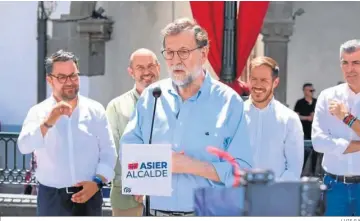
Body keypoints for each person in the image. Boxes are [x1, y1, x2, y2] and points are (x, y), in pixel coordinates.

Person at [120, 17, 253, 216]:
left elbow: (241, 171)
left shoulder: (229, 102)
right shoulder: (152, 96)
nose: (176, 60)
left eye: (183, 52)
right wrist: (141, 177)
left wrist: (191, 166)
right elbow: (127, 150)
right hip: (155, 213)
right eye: (170, 53)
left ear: (204, 54)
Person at [17, 50, 117, 216]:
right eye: (62, 77)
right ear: (50, 80)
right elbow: (24, 146)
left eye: (74, 76)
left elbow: (108, 152)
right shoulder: (38, 112)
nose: (70, 82)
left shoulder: (95, 110)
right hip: (52, 199)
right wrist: (49, 121)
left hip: (89, 196)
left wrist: (97, 183)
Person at [312, 39, 360, 216]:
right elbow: (318, 142)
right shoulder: (327, 97)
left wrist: (346, 118)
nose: (349, 69)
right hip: (334, 187)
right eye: (345, 63)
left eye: (356, 63)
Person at [106, 48, 160, 216]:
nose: (147, 72)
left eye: (151, 66)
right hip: (127, 196)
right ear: (131, 72)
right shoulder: (116, 106)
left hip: (166, 195)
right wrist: (137, 183)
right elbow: (112, 150)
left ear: (158, 67)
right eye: (140, 68)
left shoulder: (175, 102)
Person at [244, 56, 304, 181]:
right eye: (254, 79)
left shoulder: (289, 119)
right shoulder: (235, 115)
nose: (258, 85)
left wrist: (275, 193)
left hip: (275, 195)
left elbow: (294, 169)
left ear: (275, 82)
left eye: (264, 80)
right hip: (239, 194)